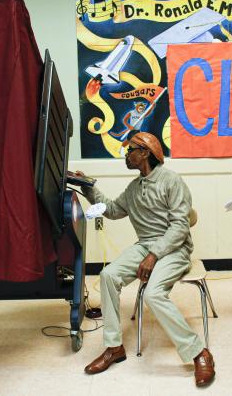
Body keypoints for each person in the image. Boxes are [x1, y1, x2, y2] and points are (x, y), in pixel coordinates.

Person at [76, 132, 215, 387]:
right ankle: (113, 347)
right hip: (145, 247)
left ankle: (198, 352)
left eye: (130, 151)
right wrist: (88, 188)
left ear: (145, 152)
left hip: (175, 249)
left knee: (152, 294)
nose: (126, 156)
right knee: (108, 275)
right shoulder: (134, 187)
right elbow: (114, 210)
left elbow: (179, 227)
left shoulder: (172, 181)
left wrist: (154, 254)